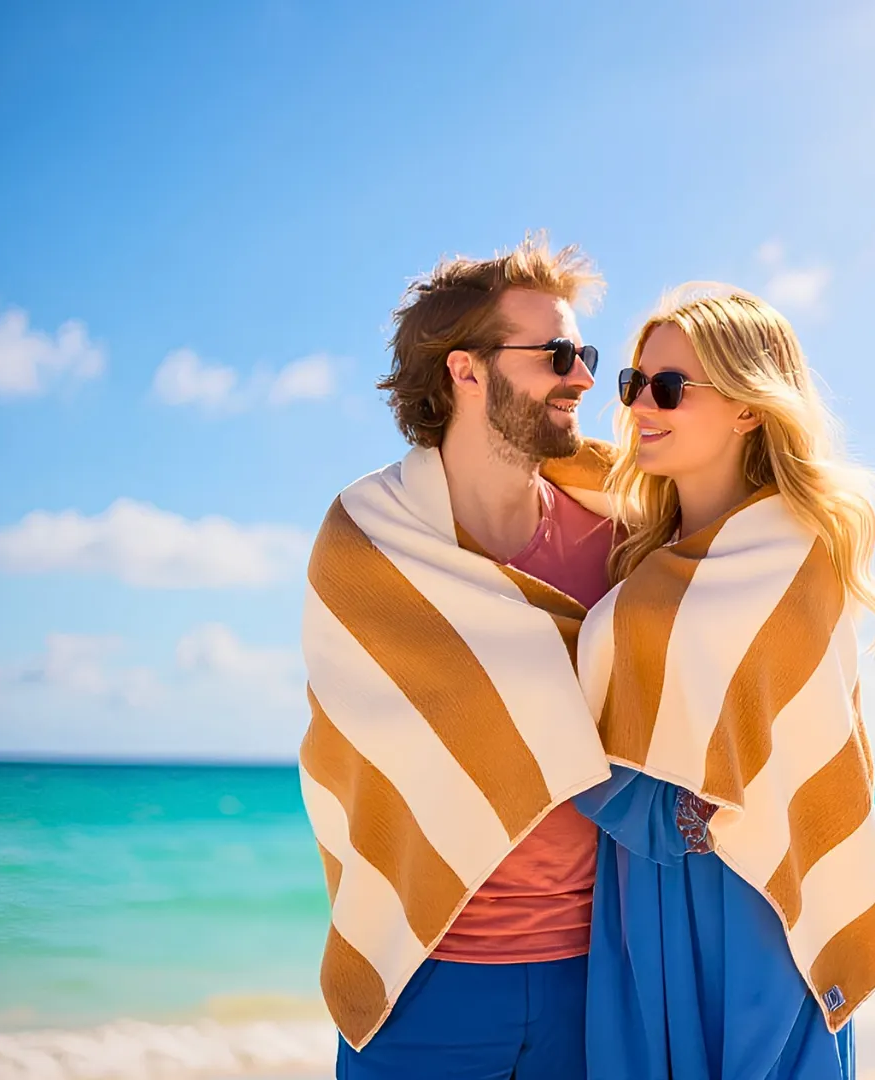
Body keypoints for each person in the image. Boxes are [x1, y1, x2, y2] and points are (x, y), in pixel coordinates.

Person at [297, 234, 620, 1079]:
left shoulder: (626, 535)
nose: (582, 376)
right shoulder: (368, 539)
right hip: (423, 972)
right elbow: (353, 754)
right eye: (555, 353)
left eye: (584, 352)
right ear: (465, 371)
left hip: (594, 974)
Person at [574, 285, 875, 1080]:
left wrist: (700, 814)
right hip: (638, 878)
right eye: (632, 384)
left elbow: (806, 744)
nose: (640, 407)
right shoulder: (639, 554)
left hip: (753, 886)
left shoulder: (800, 553)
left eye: (669, 387)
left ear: (749, 408)